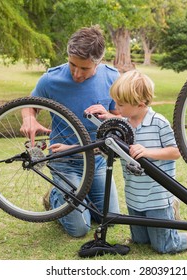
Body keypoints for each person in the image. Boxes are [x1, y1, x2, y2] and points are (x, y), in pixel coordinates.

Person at [20, 25, 120, 238]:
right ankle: (55, 197)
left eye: (84, 69)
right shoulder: (50, 79)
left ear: (98, 62)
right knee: (80, 229)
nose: (76, 73)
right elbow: (30, 106)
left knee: (110, 218)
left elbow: (122, 120)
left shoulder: (112, 77)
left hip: (97, 160)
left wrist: (109, 116)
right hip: (64, 160)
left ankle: (79, 199)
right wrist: (29, 119)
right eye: (72, 65)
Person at [109, 70, 187, 254]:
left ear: (140, 104)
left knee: (164, 246)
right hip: (134, 195)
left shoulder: (158, 123)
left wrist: (148, 152)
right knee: (140, 241)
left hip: (157, 197)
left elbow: (176, 151)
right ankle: (167, 225)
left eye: (120, 104)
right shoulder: (123, 124)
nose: (116, 107)